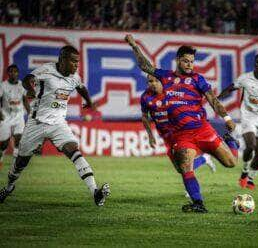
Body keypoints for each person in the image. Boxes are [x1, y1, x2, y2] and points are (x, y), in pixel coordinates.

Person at [125, 34, 239, 213]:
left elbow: (213, 100)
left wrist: (227, 118)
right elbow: (145, 66)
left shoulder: (197, 79)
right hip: (181, 135)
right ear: (178, 60)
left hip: (203, 129)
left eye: (192, 62)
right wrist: (133, 45)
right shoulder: (165, 77)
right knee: (185, 166)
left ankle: (232, 143)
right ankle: (198, 203)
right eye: (186, 61)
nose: (190, 65)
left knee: (231, 163)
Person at [0, 45, 110, 206]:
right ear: (62, 59)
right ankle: (8, 187)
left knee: (74, 151)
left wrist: (89, 101)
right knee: (21, 162)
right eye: (73, 61)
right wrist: (31, 89)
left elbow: (81, 88)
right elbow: (26, 80)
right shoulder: (46, 70)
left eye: (77, 62)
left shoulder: (74, 77)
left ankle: (95, 192)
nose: (76, 65)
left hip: (58, 124)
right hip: (37, 123)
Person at [218, 53, 258, 190]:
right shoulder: (245, 78)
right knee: (251, 145)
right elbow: (230, 88)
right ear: (255, 64)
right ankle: (245, 170)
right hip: (248, 116)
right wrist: (217, 98)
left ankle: (251, 178)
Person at [141, 74, 216, 174]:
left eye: (156, 81)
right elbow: (145, 117)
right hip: (165, 134)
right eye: (150, 81)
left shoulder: (173, 92)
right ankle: (204, 158)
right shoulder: (145, 97)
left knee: (184, 165)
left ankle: (191, 189)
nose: (154, 84)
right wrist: (150, 136)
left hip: (180, 131)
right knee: (180, 169)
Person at [0, 64, 30, 170]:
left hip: (19, 116)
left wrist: (30, 113)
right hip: (6, 116)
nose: (13, 73)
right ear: (8, 73)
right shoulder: (3, 85)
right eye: (11, 71)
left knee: (19, 138)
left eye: (15, 71)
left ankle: (15, 162)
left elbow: (25, 100)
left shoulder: (22, 85)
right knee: (4, 142)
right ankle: (1, 157)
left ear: (18, 73)